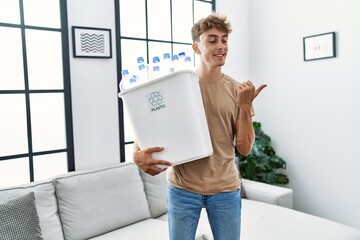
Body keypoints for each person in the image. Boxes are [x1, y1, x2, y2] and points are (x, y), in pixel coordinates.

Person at [133, 12, 267, 240]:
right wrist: (137, 154)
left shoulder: (238, 90)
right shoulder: (177, 85)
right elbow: (150, 122)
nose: (221, 46)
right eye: (212, 40)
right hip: (182, 190)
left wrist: (245, 107)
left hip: (225, 189)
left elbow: (244, 148)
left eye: (224, 39)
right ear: (196, 48)